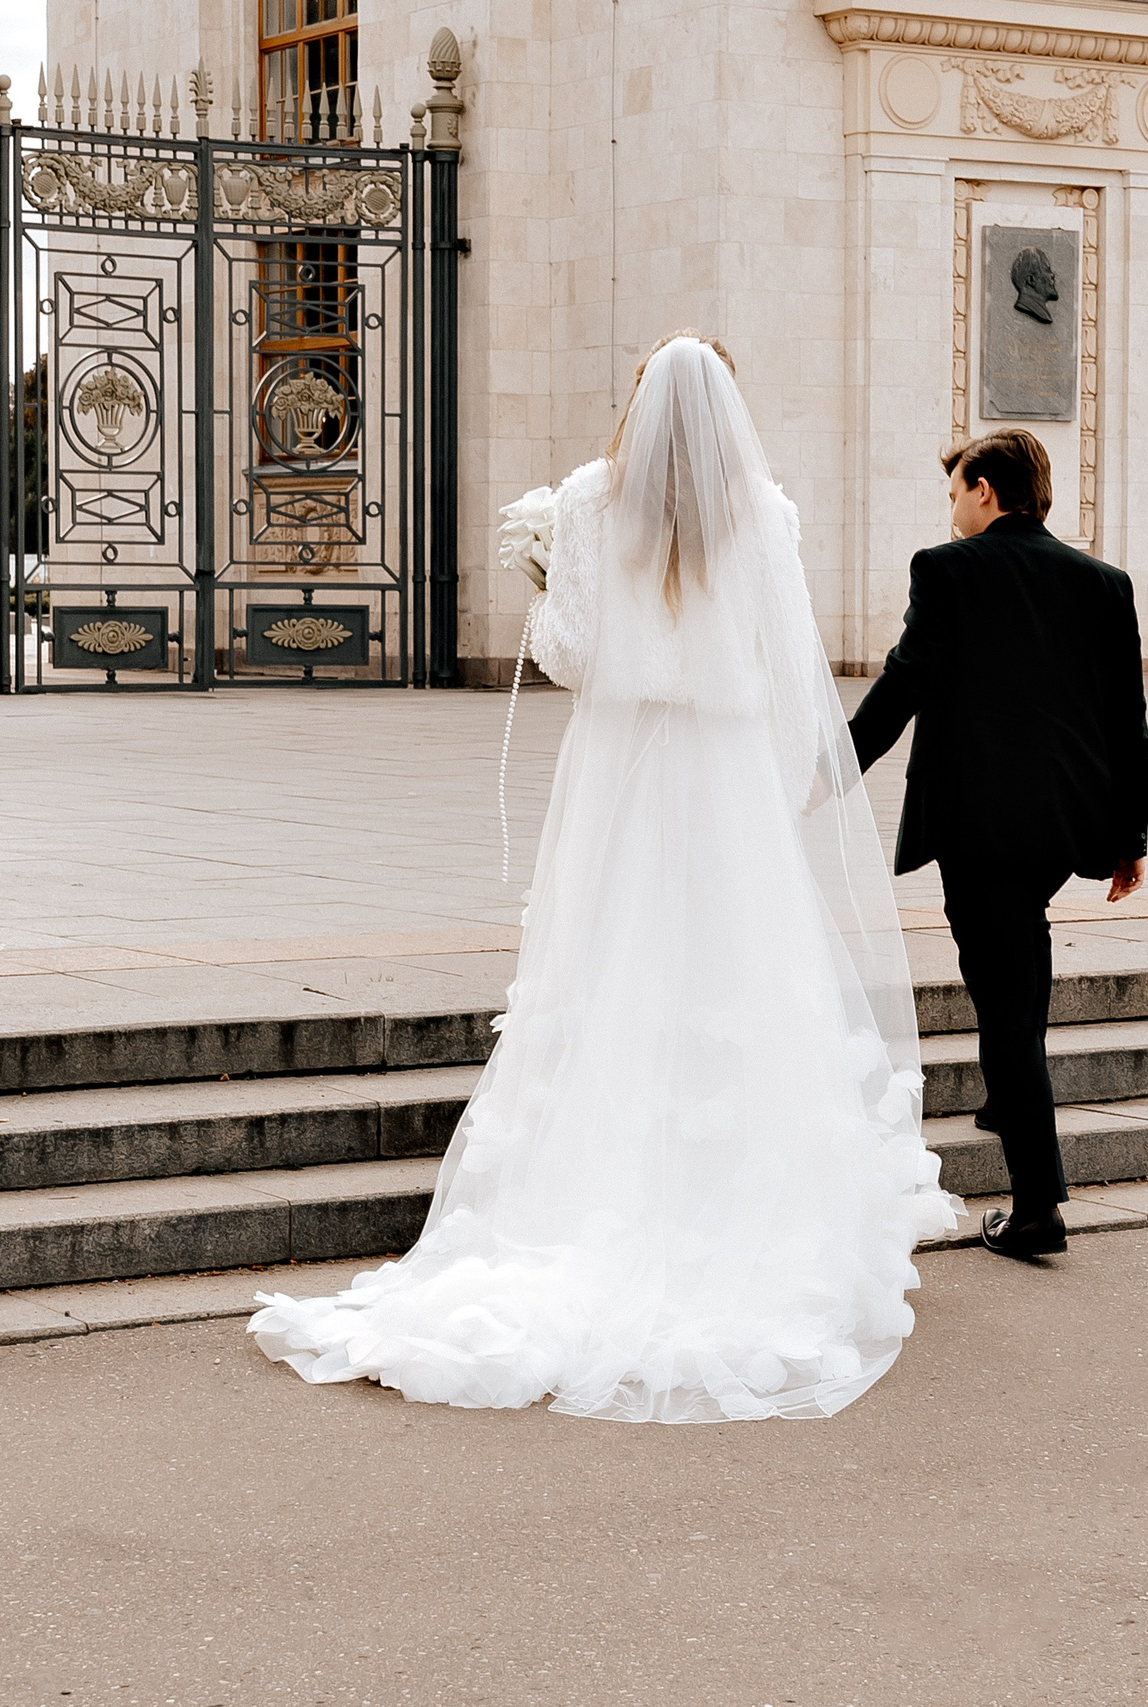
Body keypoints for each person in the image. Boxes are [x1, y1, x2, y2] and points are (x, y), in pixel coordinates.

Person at [249, 333, 959, 1422]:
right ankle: (741, 1213)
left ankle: (583, 1199)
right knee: (732, 961)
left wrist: (541, 588)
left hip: (625, 765)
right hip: (721, 768)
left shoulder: (588, 498)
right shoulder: (763, 509)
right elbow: (782, 658)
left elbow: (569, 654)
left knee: (611, 950)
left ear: (641, 406)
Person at [845, 429, 1148, 1261]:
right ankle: (1005, 1093)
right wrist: (1131, 837)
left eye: (954, 493)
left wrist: (830, 769)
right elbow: (1127, 719)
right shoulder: (1102, 583)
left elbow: (905, 682)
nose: (950, 512)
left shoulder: (946, 570)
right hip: (1063, 825)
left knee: (1007, 1011)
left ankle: (1037, 1205)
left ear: (984, 489)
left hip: (977, 827)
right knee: (1016, 974)